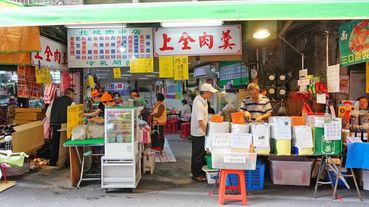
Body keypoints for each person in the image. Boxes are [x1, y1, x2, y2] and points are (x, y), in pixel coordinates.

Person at [191, 83, 217, 181]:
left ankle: (200, 172)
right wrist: (207, 134)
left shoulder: (204, 100)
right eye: (210, 93)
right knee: (198, 154)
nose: (212, 95)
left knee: (201, 153)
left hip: (201, 131)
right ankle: (196, 174)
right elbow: (200, 120)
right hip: (198, 132)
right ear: (205, 92)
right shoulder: (198, 102)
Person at [49, 88, 76, 166]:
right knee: (65, 143)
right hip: (65, 124)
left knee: (55, 143)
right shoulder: (71, 102)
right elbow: (73, 115)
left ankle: (53, 161)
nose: (73, 96)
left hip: (55, 124)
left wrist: (51, 123)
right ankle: (64, 161)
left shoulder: (55, 101)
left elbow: (49, 113)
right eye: (73, 94)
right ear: (70, 94)